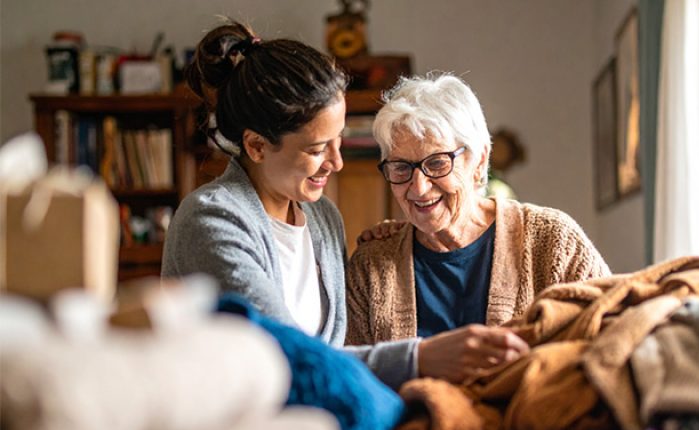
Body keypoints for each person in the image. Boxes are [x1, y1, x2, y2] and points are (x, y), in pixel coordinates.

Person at [162, 21, 528, 389]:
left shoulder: (323, 217)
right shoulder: (211, 219)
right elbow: (285, 356)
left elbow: (340, 347)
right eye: (318, 148)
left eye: (339, 141)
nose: (336, 163)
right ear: (256, 146)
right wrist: (420, 357)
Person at [346, 73, 611, 347]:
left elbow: (612, 334)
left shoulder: (553, 241)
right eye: (401, 167)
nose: (419, 188)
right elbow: (352, 375)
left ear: (480, 160)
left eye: (437, 163)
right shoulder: (372, 264)